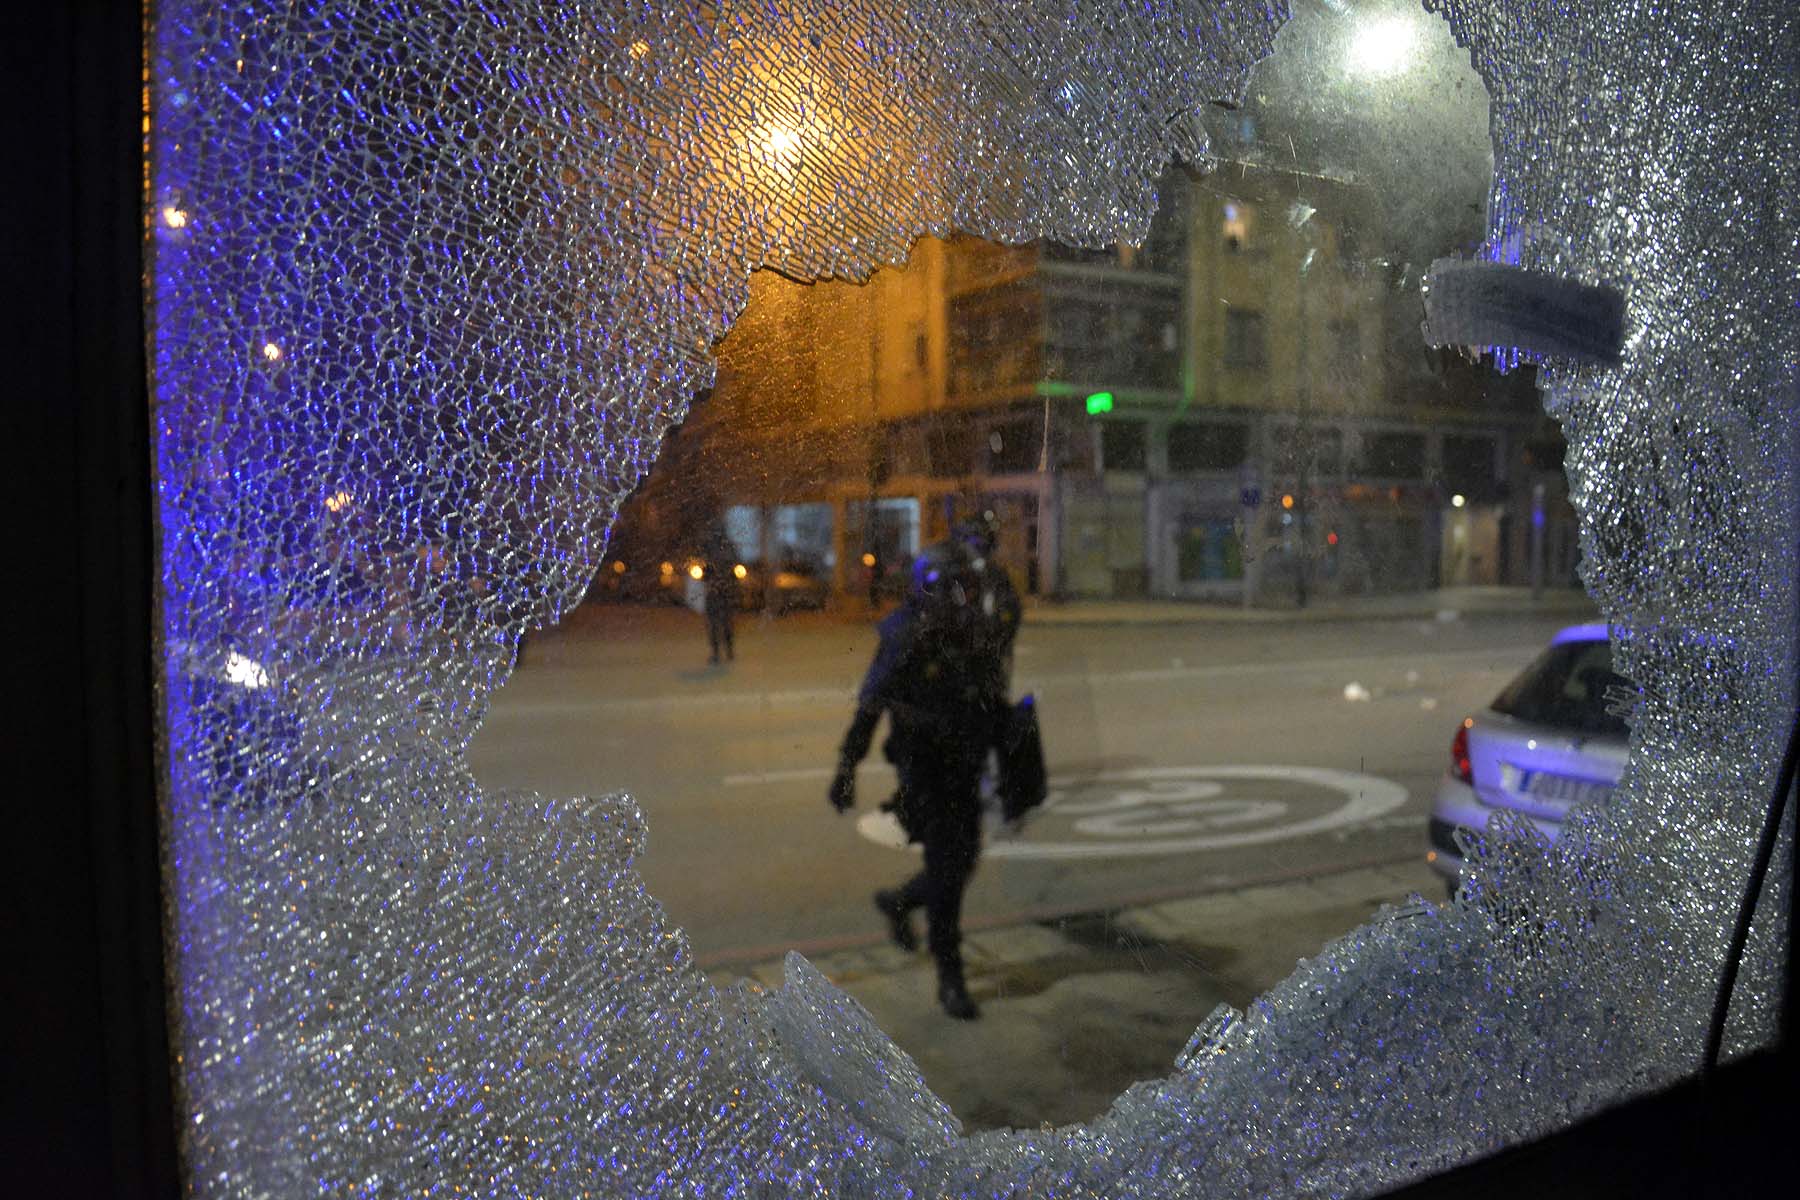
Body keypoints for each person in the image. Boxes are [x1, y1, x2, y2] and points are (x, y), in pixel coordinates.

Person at [828, 538, 1006, 1019]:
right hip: (924, 767)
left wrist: (1004, 761)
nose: (956, 595)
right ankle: (951, 976)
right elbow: (871, 703)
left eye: (960, 586)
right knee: (949, 868)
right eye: (946, 586)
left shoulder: (969, 631)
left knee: (962, 861)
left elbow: (990, 698)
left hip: (964, 762)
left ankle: (900, 902)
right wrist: (847, 766)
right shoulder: (905, 633)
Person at [700, 533, 738, 664]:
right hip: (722, 595)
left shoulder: (711, 555)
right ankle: (726, 650)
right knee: (724, 624)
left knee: (716, 625)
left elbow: (704, 576)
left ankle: (719, 652)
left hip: (716, 595)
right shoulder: (727, 553)